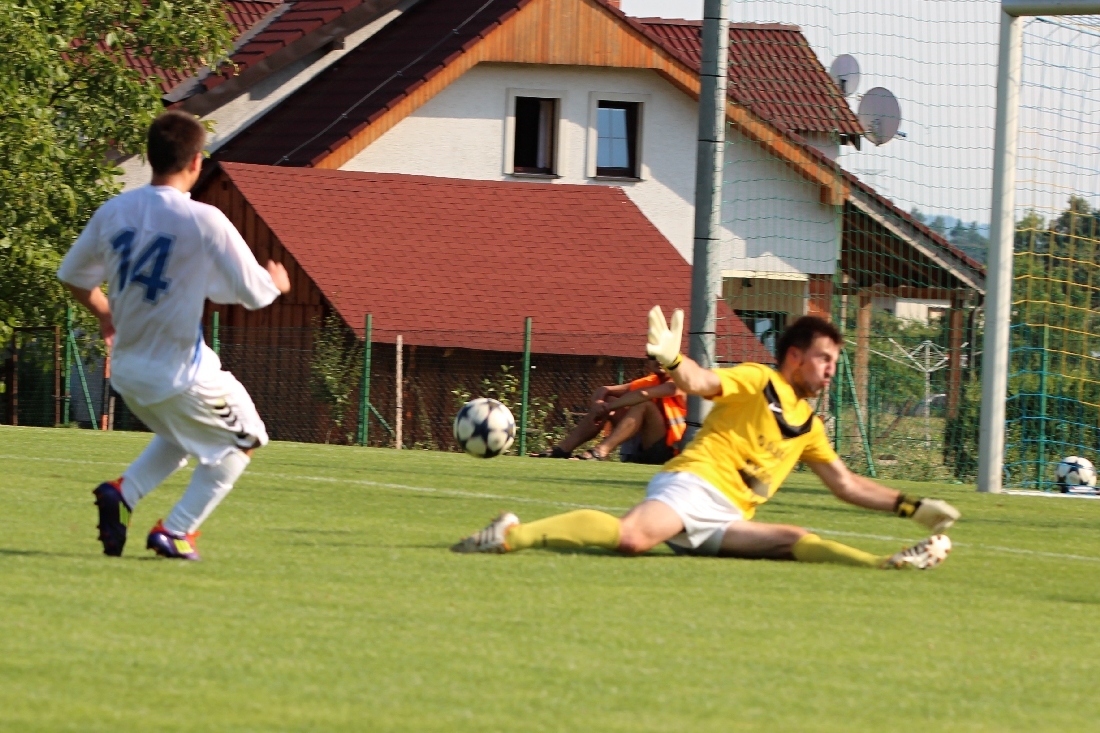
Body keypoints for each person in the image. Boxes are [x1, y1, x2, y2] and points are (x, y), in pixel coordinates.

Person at [452, 307, 961, 569]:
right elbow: (699, 382)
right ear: (794, 357)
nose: (831, 369)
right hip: (690, 486)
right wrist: (674, 359)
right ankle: (512, 534)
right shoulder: (760, 381)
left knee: (794, 540)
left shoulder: (810, 426)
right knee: (631, 539)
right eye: (824, 358)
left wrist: (911, 506)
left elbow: (846, 485)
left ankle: (887, 563)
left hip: (727, 518)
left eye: (834, 361)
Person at [57, 110, 290, 561]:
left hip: (127, 371)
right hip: (181, 373)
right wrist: (276, 282)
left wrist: (106, 314)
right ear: (197, 161)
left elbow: (72, 276)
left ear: (149, 157)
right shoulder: (205, 220)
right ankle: (175, 531)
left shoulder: (115, 210)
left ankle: (122, 495)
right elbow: (255, 293)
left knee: (184, 437)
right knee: (244, 442)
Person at [534, 357, 686, 463]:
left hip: (671, 452)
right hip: (646, 445)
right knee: (609, 399)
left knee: (643, 404)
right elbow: (604, 389)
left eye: (663, 355)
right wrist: (598, 403)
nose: (658, 360)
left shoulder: (679, 381)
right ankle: (563, 449)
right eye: (653, 355)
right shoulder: (651, 380)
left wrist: (608, 407)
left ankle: (600, 451)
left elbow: (642, 394)